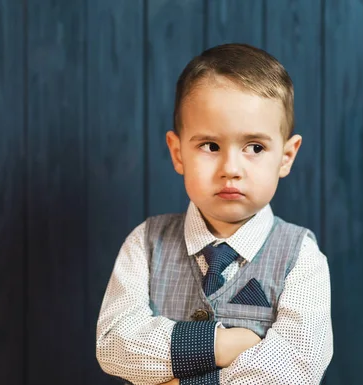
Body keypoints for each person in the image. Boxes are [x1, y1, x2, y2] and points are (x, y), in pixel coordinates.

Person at [95, 43, 333, 385]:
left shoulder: (301, 258)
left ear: (286, 156)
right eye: (210, 146)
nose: (230, 168)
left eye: (254, 147)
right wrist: (219, 344)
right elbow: (114, 344)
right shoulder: (145, 244)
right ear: (178, 153)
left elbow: (295, 367)